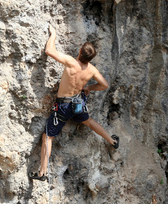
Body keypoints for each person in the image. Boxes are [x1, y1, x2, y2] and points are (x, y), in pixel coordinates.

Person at [28, 25, 119, 181]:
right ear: (91, 58)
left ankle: (42, 173)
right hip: (77, 104)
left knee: (48, 137)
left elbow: (49, 51)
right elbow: (104, 85)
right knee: (88, 121)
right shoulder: (92, 70)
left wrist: (53, 35)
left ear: (79, 52)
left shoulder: (71, 62)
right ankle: (113, 141)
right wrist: (88, 87)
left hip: (63, 106)